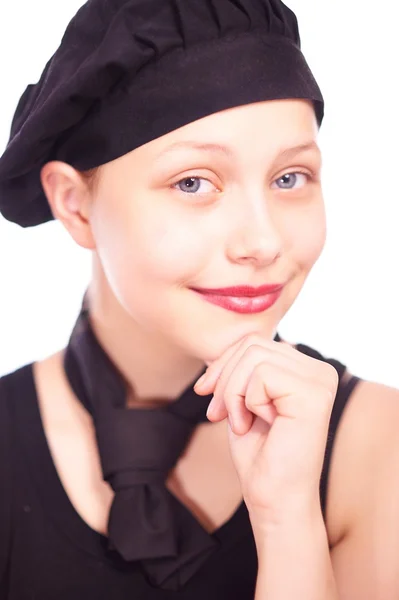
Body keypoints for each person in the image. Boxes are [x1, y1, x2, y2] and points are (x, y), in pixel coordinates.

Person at [0, 0, 399, 598]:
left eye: (290, 178)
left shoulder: (380, 445)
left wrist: (288, 521)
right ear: (75, 204)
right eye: (194, 183)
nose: (263, 242)